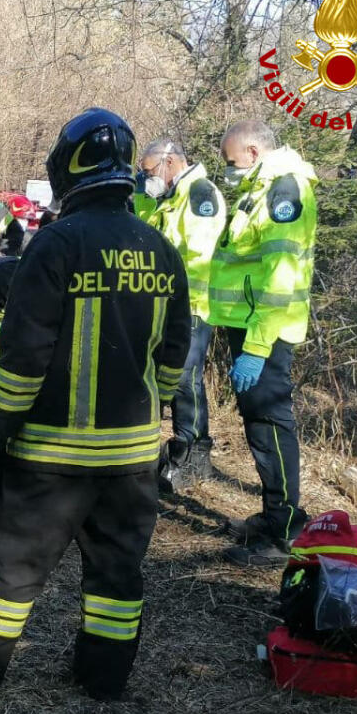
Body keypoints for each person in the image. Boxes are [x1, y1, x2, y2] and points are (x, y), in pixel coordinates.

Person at [0, 108, 190, 700]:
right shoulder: (161, 249)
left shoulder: (56, 245)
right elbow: (174, 357)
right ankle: (102, 681)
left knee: (10, 569)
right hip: (132, 458)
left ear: (67, 170)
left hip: (52, 455)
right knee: (117, 574)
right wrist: (151, 417)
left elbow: (22, 356)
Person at [210, 119, 317, 567]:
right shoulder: (263, 187)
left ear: (253, 152)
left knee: (270, 426)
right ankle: (276, 515)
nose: (229, 169)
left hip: (265, 332)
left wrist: (256, 345)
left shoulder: (284, 189)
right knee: (258, 425)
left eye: (232, 161)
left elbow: (281, 275)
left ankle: (285, 531)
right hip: (252, 325)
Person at [139, 139, 227, 491]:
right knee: (171, 379)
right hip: (168, 305)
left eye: (148, 171)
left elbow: (198, 255)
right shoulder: (173, 196)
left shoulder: (200, 194)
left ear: (169, 161)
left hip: (189, 305)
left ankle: (193, 454)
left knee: (185, 381)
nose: (146, 178)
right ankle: (179, 450)